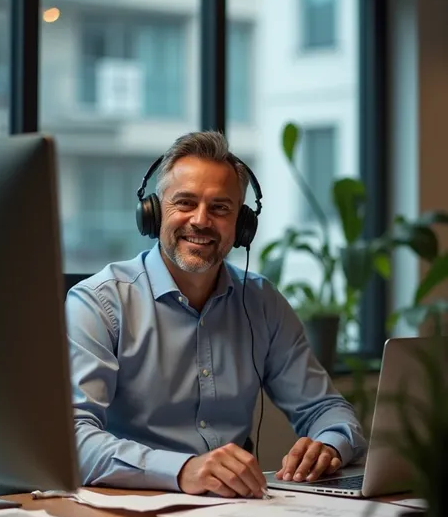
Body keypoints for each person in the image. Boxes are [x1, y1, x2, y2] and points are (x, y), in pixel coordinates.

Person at [66, 131, 366, 498]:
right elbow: (72, 440)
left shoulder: (262, 302)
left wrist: (330, 444)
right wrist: (182, 470)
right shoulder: (100, 303)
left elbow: (326, 409)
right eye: (185, 203)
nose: (201, 221)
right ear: (155, 211)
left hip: (231, 510)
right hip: (124, 510)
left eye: (220, 208)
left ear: (242, 225)